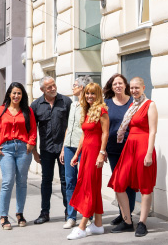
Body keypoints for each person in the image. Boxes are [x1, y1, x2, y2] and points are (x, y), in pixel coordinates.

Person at [107, 77, 158, 237]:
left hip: (143, 147)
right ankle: (127, 221)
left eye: (137, 88)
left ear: (143, 88)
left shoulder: (150, 105)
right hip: (129, 147)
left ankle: (142, 223)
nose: (134, 90)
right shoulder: (132, 106)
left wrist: (149, 153)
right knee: (119, 183)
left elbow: (153, 131)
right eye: (132, 88)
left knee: (145, 186)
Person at [0, 82, 37, 230]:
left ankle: (19, 213)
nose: (16, 96)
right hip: (7, 150)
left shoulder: (27, 111)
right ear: (9, 94)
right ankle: (3, 216)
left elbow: (33, 129)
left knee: (22, 182)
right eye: (14, 93)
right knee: (8, 181)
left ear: (22, 95)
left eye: (19, 93)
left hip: (23, 149)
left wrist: (31, 143)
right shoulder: (1, 110)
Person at [66, 82, 109, 240]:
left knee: (89, 187)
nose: (90, 96)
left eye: (93, 93)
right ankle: (98, 224)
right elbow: (84, 135)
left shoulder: (102, 111)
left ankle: (82, 226)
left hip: (95, 152)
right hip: (86, 153)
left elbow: (105, 133)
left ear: (98, 95)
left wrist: (101, 153)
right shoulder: (87, 110)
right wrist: (77, 154)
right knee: (92, 187)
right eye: (88, 93)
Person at [30, 76, 70, 224]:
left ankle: (69, 212)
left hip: (64, 149)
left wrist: (67, 148)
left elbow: (71, 126)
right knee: (46, 181)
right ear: (42, 90)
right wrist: (34, 152)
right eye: (49, 87)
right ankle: (44, 213)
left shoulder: (66, 102)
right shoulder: (36, 105)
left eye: (54, 85)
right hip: (46, 149)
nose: (53, 88)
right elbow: (32, 130)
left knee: (66, 181)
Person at [103, 73, 136, 226]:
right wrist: (102, 149)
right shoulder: (107, 103)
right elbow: (103, 128)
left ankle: (128, 217)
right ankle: (122, 214)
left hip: (130, 148)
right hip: (113, 149)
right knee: (118, 184)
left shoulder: (133, 102)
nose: (118, 86)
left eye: (120, 83)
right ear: (111, 87)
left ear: (125, 85)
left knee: (129, 184)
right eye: (115, 84)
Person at [60, 75, 93, 229]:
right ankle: (71, 216)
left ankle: (88, 215)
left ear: (81, 87)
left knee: (85, 182)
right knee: (70, 181)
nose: (72, 88)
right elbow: (69, 127)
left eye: (74, 85)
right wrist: (63, 148)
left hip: (84, 147)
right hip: (69, 146)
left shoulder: (89, 106)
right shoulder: (73, 105)